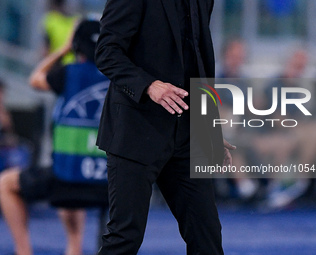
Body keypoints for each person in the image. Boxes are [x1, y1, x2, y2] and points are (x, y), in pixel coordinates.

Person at [95, 0, 235, 254]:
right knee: (125, 237)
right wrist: (149, 85)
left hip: (187, 134)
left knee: (207, 237)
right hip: (136, 131)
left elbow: (198, 62)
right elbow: (106, 52)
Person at [0, 19, 109, 255]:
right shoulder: (120, 79)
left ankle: (23, 251)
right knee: (68, 176)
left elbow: (35, 78)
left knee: (6, 184)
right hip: (109, 186)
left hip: (66, 182)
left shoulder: (68, 74)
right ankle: (74, 248)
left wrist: (62, 50)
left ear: (76, 47)